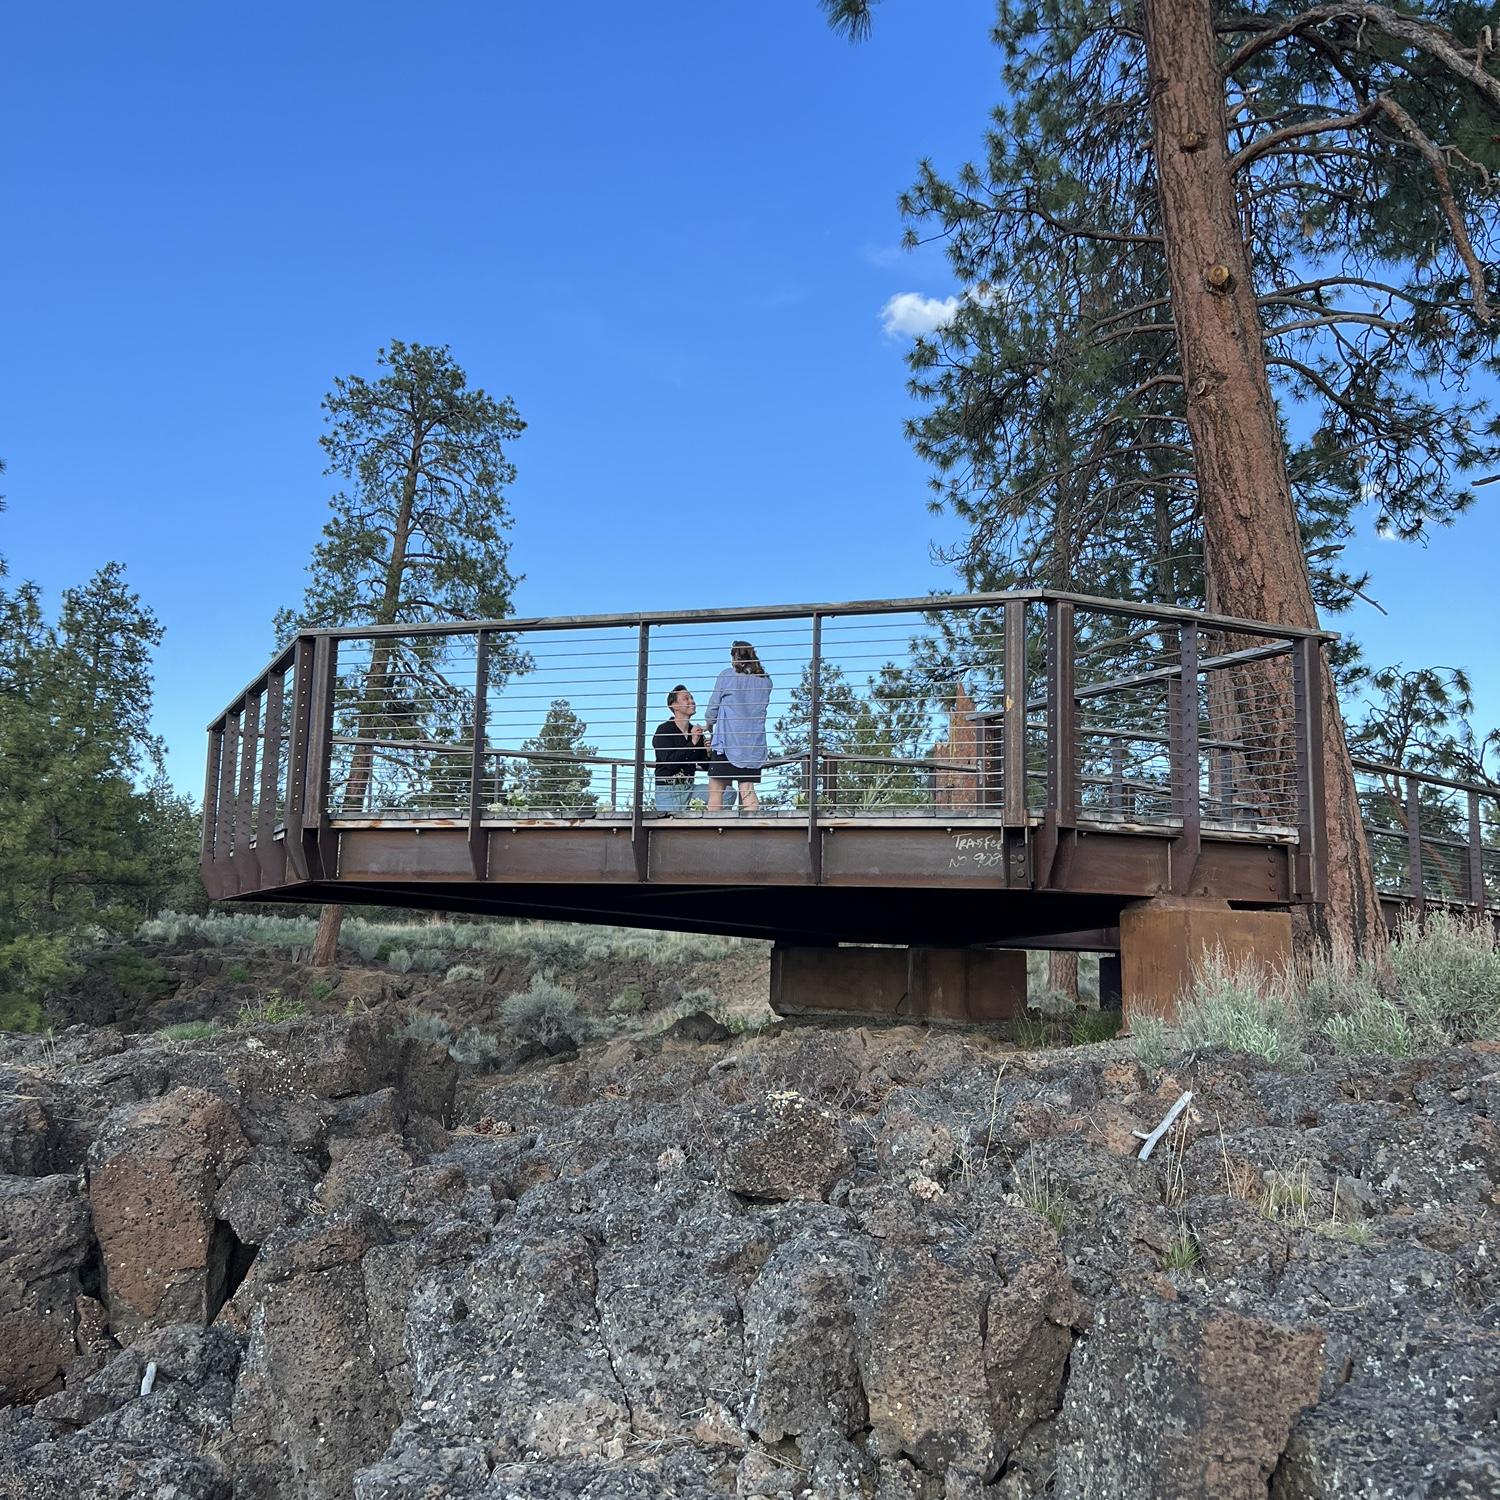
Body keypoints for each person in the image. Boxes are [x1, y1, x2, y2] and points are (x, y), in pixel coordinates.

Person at [704, 641, 772, 813]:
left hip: (728, 742)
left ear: (735, 656)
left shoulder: (727, 676)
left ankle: (712, 830)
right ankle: (752, 831)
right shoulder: (765, 681)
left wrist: (709, 726)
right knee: (747, 788)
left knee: (716, 789)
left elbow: (713, 707)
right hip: (752, 746)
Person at [651, 686, 733, 812]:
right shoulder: (664, 730)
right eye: (686, 698)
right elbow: (670, 764)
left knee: (728, 793)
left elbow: (706, 766)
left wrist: (708, 752)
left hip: (690, 789)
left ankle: (712, 827)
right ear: (674, 706)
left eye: (692, 698)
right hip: (667, 791)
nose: (692, 701)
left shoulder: (695, 732)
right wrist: (693, 742)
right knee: (671, 829)